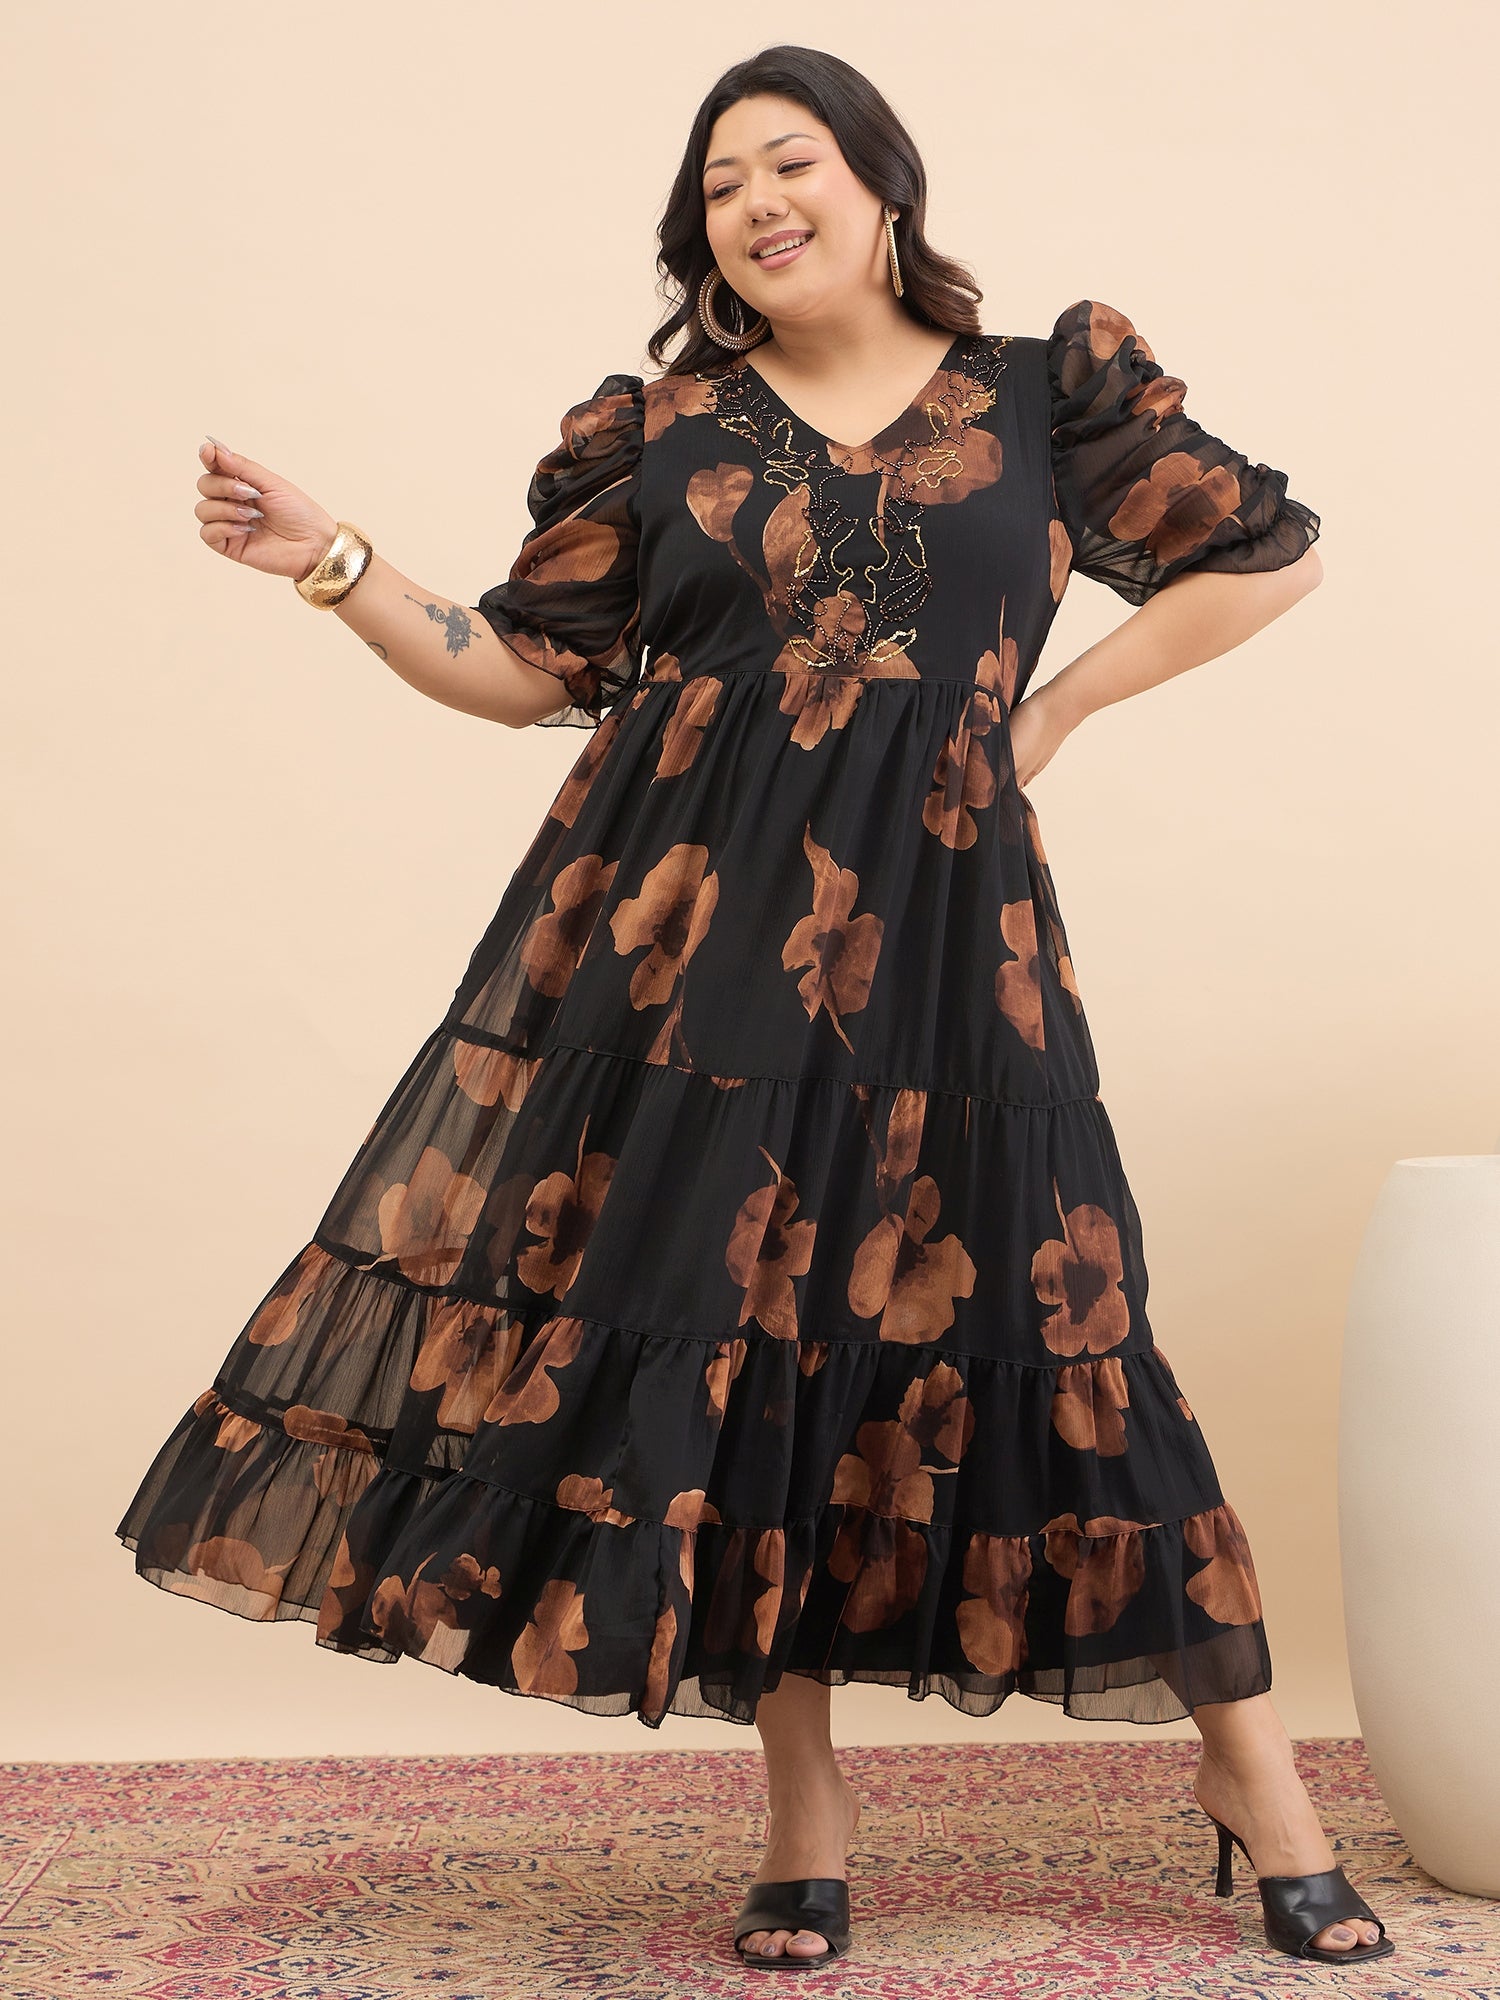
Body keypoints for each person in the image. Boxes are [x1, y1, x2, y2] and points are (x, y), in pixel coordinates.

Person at [121, 41, 1392, 1975]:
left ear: (883, 183)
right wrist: (341, 565)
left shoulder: (1046, 393)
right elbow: (523, 669)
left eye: (789, 163)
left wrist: (1046, 713)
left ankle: (1255, 1781)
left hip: (954, 941)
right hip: (688, 959)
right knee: (744, 1350)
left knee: (1074, 1326)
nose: (756, 205)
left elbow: (1265, 554)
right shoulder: (661, 432)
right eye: (719, 188)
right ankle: (805, 1812)